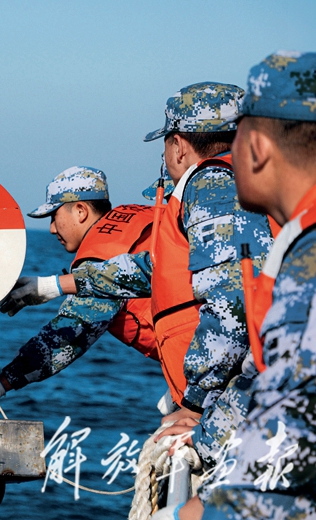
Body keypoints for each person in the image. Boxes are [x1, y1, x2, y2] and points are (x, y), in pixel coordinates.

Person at [55, 83, 275, 463]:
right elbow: (159, 269)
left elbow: (234, 301)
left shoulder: (212, 184)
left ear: (178, 146)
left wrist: (196, 402)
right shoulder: (259, 184)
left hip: (259, 398)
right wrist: (55, 285)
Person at [159, 50, 316, 520]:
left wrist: (192, 513)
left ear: (257, 148)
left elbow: (291, 434)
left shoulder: (306, 269)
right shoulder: (296, 243)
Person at [0, 166, 159, 410]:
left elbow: (69, 334)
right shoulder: (145, 215)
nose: (51, 229)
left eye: (54, 216)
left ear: (80, 211)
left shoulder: (101, 256)